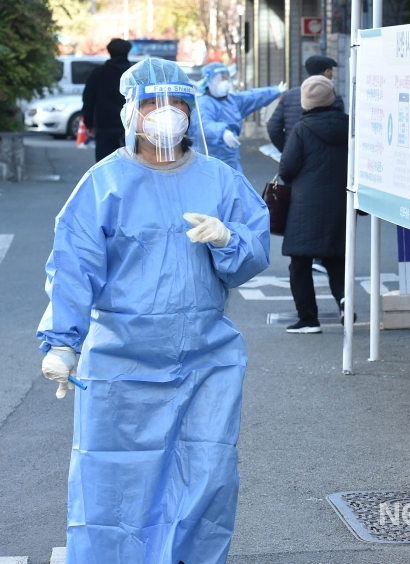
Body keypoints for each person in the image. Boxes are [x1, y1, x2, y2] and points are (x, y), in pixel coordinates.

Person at [37, 58, 270, 563]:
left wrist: (231, 238)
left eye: (177, 104)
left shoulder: (219, 179)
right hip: (122, 360)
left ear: (192, 111)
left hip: (207, 358)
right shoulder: (105, 183)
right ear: (131, 114)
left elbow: (253, 249)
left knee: (205, 474)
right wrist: (62, 341)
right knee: (115, 480)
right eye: (152, 104)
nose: (166, 115)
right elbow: (74, 264)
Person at [278, 75, 350, 333]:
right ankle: (344, 300)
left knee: (300, 263)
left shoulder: (302, 128)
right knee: (335, 259)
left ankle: (308, 318)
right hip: (341, 201)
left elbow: (286, 169)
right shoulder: (349, 126)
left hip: (305, 206)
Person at [196, 62, 285, 172]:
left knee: (235, 186)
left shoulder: (232, 100)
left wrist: (275, 91)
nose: (224, 82)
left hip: (231, 158)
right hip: (210, 160)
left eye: (226, 78)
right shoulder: (203, 103)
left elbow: (252, 97)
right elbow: (203, 125)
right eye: (220, 79)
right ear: (208, 81)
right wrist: (222, 132)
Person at [268, 55, 343, 152]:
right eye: (331, 71)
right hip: (324, 155)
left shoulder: (289, 95)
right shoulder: (333, 97)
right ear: (327, 72)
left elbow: (273, 127)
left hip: (294, 154)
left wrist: (286, 148)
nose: (332, 75)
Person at [81, 38, 132, 161]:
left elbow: (88, 100)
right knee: (129, 165)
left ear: (109, 51)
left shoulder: (98, 73)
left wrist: (89, 124)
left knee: (105, 165)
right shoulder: (133, 74)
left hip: (104, 127)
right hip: (130, 127)